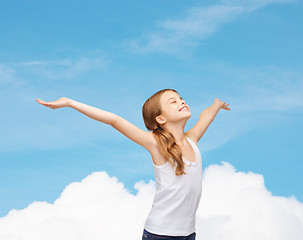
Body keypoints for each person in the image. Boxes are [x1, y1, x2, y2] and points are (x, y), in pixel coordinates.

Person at [36, 88, 230, 240]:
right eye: (173, 101)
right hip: (160, 234)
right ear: (160, 119)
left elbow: (207, 116)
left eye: (181, 98)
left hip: (188, 233)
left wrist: (216, 104)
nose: (182, 101)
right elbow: (114, 120)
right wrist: (69, 103)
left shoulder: (192, 141)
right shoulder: (155, 144)